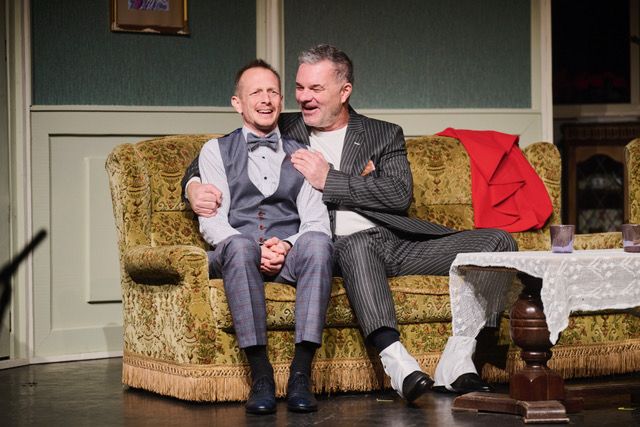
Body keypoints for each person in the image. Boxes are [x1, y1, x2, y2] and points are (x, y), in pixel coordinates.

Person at [183, 45, 518, 401]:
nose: (304, 98)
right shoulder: (285, 124)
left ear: (344, 91)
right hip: (333, 247)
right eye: (299, 88)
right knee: (357, 243)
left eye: (316, 89)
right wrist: (192, 187)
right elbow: (220, 153)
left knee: (499, 243)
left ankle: (459, 357)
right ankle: (397, 363)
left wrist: (330, 179)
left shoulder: (383, 134)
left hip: (394, 243)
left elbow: (398, 194)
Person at [196, 59, 333, 415]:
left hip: (286, 256)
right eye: (256, 92)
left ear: (281, 100)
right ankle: (261, 376)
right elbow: (212, 223)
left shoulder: (304, 154)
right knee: (240, 246)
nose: (266, 99)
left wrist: (286, 245)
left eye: (273, 92)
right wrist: (256, 250)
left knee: (319, 243)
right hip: (237, 255)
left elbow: (316, 221)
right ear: (237, 103)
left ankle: (301, 374)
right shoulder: (215, 150)